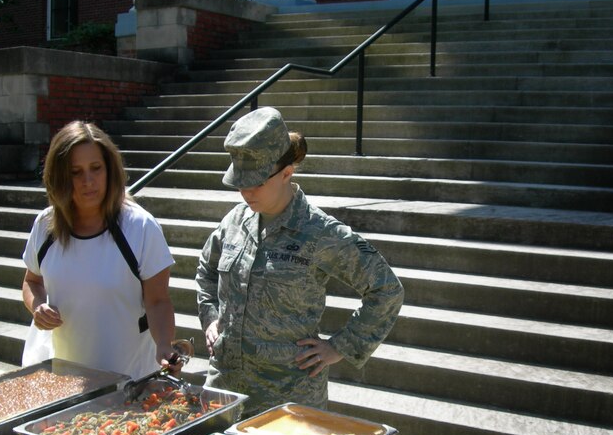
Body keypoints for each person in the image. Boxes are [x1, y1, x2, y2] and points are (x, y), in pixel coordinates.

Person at [195, 107, 404, 417]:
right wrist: (211, 316)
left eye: (256, 182)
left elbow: (386, 290)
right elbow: (207, 270)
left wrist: (340, 346)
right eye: (240, 181)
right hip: (224, 392)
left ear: (286, 173)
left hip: (285, 404)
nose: (245, 191)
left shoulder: (320, 233)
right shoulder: (234, 222)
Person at [21, 120, 180, 380]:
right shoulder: (45, 225)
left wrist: (164, 344)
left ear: (110, 170)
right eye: (75, 172)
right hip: (64, 378)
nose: (88, 181)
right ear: (59, 176)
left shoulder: (140, 227)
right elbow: (31, 280)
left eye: (96, 168)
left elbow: (158, 300)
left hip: (130, 380)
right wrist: (37, 306)